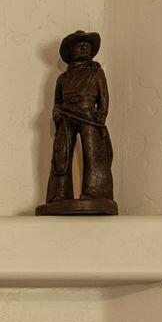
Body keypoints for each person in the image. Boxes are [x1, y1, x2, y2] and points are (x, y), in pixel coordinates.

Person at [40, 30, 116, 213]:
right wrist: (57, 112)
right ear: (71, 52)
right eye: (79, 45)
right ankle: (59, 194)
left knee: (94, 154)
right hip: (66, 115)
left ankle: (96, 192)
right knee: (61, 156)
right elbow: (56, 103)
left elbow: (104, 98)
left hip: (89, 115)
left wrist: (101, 114)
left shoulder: (97, 73)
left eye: (86, 45)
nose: (83, 47)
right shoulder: (63, 78)